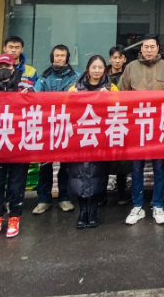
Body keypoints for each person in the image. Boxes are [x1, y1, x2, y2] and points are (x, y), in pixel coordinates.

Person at [118, 34, 164, 225]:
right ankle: (137, 206)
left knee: (160, 167)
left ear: (158, 48)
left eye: (152, 47)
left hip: (159, 124)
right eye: (146, 47)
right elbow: (122, 95)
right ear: (141, 48)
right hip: (137, 125)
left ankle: (158, 205)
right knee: (137, 167)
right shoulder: (130, 67)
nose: (149, 50)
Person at [0, 53, 35, 238]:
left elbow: (39, 107)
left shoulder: (25, 86)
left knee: (17, 184)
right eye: (0, 67)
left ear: (14, 68)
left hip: (19, 143)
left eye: (8, 67)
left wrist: (29, 96)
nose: (4, 70)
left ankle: (14, 217)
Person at [66, 55, 116, 228]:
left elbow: (120, 109)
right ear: (88, 68)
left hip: (100, 139)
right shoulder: (74, 88)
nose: (97, 71)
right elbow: (65, 110)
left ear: (105, 70)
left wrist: (109, 97)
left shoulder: (111, 88)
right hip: (79, 139)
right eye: (94, 67)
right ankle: (82, 211)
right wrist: (71, 97)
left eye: (100, 68)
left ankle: (93, 210)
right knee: (78, 175)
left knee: (97, 174)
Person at [33, 44, 79, 215]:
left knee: (66, 165)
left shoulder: (76, 77)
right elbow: (35, 98)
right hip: (47, 127)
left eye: (62, 55)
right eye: (57, 55)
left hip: (68, 126)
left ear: (67, 58)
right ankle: (43, 200)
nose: (59, 58)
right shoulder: (43, 78)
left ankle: (64, 198)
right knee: (45, 166)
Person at [106, 45, 130, 205]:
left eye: (120, 58)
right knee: (104, 157)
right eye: (114, 58)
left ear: (124, 59)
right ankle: (101, 194)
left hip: (123, 118)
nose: (117, 61)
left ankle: (122, 193)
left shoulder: (128, 74)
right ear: (110, 59)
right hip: (106, 119)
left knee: (122, 159)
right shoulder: (103, 74)